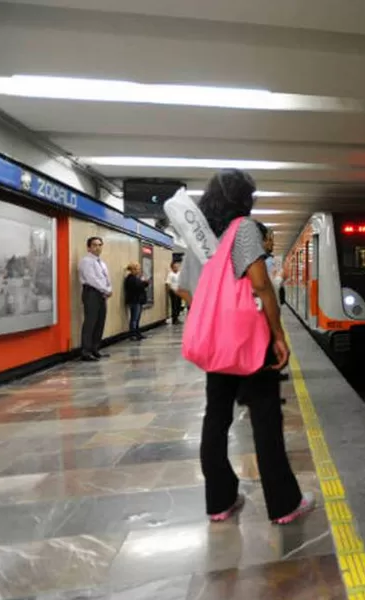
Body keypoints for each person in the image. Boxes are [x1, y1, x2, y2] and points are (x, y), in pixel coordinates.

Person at [177, 169, 314, 525]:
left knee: (216, 418)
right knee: (266, 421)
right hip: (249, 341)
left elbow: (187, 288)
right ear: (242, 199)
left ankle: (220, 501)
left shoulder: (200, 238)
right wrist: (279, 334)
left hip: (217, 344)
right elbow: (260, 285)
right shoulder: (244, 229)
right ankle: (285, 504)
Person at [257, 222, 289, 382]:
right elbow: (266, 286)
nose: (272, 243)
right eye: (270, 240)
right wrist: (281, 277)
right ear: (261, 241)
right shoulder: (262, 261)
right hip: (265, 311)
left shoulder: (263, 260)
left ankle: (272, 373)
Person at [78, 236, 111, 361]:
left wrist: (109, 289)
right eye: (94, 245)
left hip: (101, 294)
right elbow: (92, 279)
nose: (97, 247)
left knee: (100, 322)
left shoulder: (101, 263)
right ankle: (86, 351)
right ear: (89, 247)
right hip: (91, 293)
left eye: (100, 245)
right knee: (90, 322)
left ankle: (95, 349)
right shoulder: (86, 261)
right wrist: (105, 289)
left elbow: (106, 278)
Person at [124, 262, 149, 341]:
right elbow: (137, 287)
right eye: (137, 269)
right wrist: (144, 283)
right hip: (134, 301)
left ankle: (137, 333)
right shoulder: (131, 278)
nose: (138, 271)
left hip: (138, 300)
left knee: (137, 318)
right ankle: (133, 334)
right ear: (133, 270)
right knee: (134, 318)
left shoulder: (136, 278)